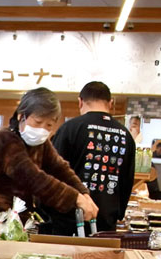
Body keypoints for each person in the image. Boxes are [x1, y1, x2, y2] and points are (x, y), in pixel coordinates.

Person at [0, 87, 98, 225]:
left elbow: (61, 168)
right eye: (38, 122)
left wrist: (83, 193)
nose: (42, 129)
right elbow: (32, 177)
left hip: (18, 221)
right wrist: (75, 198)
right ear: (21, 116)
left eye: (49, 125)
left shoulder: (41, 144)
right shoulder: (3, 139)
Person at [42, 81, 135, 234]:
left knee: (68, 258)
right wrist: (118, 213)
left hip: (69, 218)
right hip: (106, 218)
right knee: (101, 258)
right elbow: (127, 179)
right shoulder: (125, 134)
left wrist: (46, 212)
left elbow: (52, 171)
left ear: (80, 101)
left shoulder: (70, 128)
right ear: (110, 103)